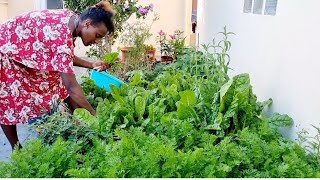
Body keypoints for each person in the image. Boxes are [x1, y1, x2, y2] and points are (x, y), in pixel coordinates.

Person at [0, 0, 115, 149]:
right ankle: (17, 150)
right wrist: (94, 114)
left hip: (23, 50)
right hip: (6, 50)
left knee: (60, 84)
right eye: (98, 35)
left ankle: (84, 130)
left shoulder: (73, 20)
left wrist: (91, 64)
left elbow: (63, 57)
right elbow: (72, 87)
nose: (97, 41)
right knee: (8, 100)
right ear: (87, 24)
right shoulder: (62, 35)